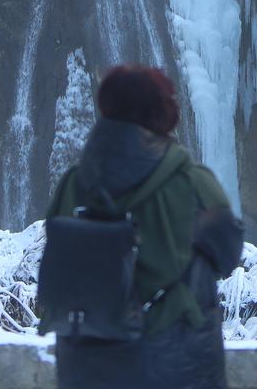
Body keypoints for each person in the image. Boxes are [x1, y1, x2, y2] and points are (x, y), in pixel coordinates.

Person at [41, 64, 243, 389]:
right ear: (163, 112)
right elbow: (227, 255)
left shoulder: (73, 185)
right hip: (177, 365)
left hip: (87, 367)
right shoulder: (192, 183)